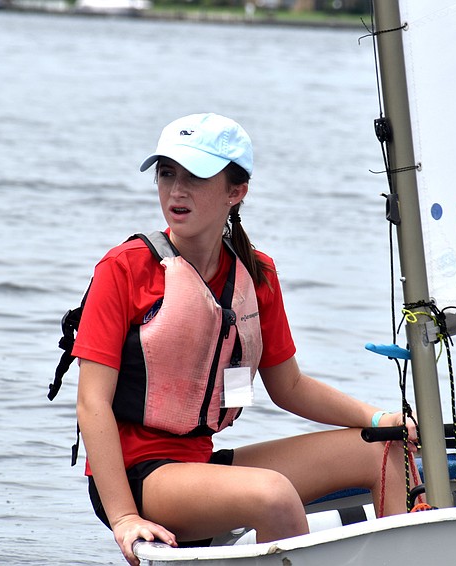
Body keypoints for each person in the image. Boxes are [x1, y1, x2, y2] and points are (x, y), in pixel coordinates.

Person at [72, 113, 418, 566]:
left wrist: (380, 418)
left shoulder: (257, 275)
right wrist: (122, 517)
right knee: (272, 494)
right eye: (166, 174)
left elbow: (288, 386)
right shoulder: (122, 270)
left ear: (237, 192)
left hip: (203, 464)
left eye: (195, 176)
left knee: (383, 448)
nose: (176, 190)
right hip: (137, 477)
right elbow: (91, 402)